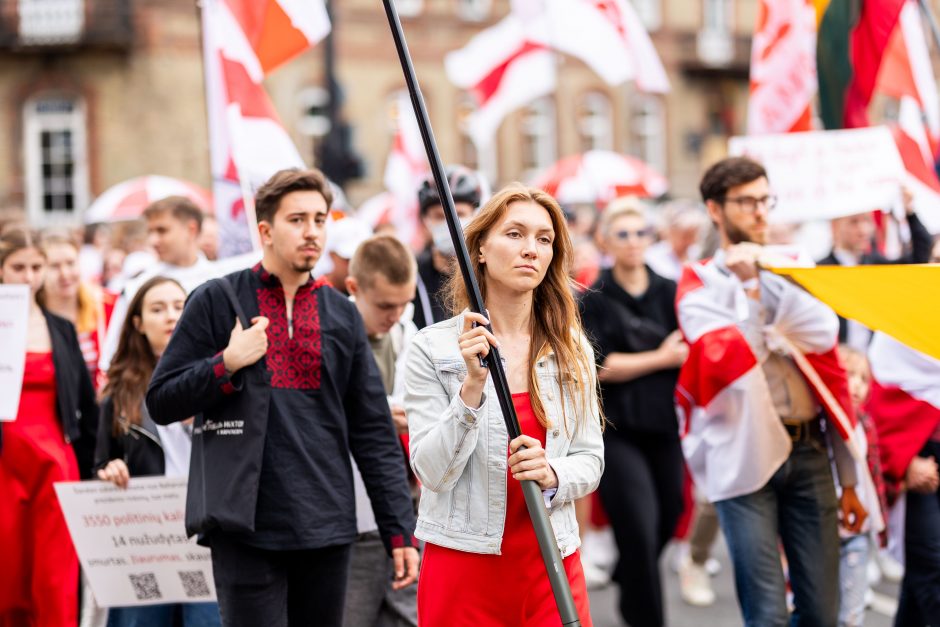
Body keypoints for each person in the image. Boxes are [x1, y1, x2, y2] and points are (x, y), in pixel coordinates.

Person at [146, 168, 418, 627]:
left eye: (319, 219)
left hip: (326, 525)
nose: (312, 231)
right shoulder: (217, 299)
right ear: (266, 230)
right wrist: (226, 364)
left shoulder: (340, 314)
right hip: (244, 525)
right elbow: (162, 399)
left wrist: (399, 530)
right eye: (297, 220)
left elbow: (372, 431)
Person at [676, 157, 868, 626]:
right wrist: (753, 293)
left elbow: (826, 354)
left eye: (765, 200)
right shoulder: (699, 280)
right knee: (766, 612)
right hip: (742, 458)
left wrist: (848, 479)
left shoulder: (794, 264)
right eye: (746, 202)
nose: (760, 212)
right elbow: (733, 358)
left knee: (822, 611)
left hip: (809, 451)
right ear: (715, 210)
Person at [405, 183, 604, 626]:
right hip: (464, 565)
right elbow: (431, 472)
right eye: (515, 234)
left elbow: (591, 459)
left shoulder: (572, 348)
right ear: (479, 249)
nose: (531, 249)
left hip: (551, 562)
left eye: (544, 238)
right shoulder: (432, 349)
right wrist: (471, 390)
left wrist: (553, 472)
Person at [579, 198, 687, 627]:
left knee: (669, 515)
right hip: (616, 430)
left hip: (664, 426)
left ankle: (628, 573)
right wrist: (661, 357)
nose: (633, 242)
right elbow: (599, 367)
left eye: (640, 232)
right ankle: (645, 617)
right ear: (605, 240)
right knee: (639, 530)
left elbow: (689, 349)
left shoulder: (670, 290)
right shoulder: (594, 298)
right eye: (622, 234)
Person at [94, 276, 221, 626]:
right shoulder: (118, 393)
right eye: (158, 308)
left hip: (205, 534)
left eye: (180, 307)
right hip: (146, 538)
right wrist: (111, 470)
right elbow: (101, 464)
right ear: (137, 323)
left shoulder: (219, 378)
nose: (171, 316)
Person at [0, 227, 99, 626]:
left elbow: (85, 405)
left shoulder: (60, 327)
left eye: (35, 266)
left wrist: (100, 462)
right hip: (6, 461)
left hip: (55, 462)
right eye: (18, 267)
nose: (28, 276)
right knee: (9, 571)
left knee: (55, 577)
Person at [343, 235, 420, 627]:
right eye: (386, 305)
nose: (395, 314)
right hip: (349, 515)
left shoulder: (407, 334)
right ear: (354, 289)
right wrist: (371, 415)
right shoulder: (335, 338)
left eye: (404, 304)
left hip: (403, 505)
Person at [100, 196, 213, 373]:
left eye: (162, 231)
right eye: (150, 231)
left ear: (191, 229)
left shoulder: (219, 280)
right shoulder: (138, 285)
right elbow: (112, 356)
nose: (153, 240)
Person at [817, 188, 933, 348]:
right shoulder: (818, 271)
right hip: (838, 362)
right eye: (854, 222)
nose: (863, 230)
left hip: (875, 362)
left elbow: (921, 256)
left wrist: (909, 212)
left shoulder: (877, 266)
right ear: (834, 226)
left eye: (867, 221)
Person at [834, 345, 888, 627]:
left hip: (857, 531)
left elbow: (873, 478)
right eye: (849, 375)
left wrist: (880, 524)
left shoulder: (866, 424)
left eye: (863, 378)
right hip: (824, 530)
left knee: (852, 614)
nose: (856, 385)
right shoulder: (822, 423)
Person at [412, 166, 483, 329]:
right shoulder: (411, 275)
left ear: (476, 216)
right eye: (439, 216)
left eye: (460, 214)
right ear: (425, 221)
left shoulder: (489, 274)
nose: (450, 223)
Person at [38, 231, 108, 386]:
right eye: (54, 266)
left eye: (70, 263)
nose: (65, 273)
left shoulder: (106, 306)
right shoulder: (34, 318)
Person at [644, 199, 706, 281]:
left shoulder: (697, 253)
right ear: (669, 232)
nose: (691, 241)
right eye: (686, 236)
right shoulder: (652, 257)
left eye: (693, 235)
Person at [320, 216, 372, 296]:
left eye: (363, 261)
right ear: (332, 255)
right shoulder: (314, 294)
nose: (356, 268)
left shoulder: (371, 297)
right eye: (349, 260)